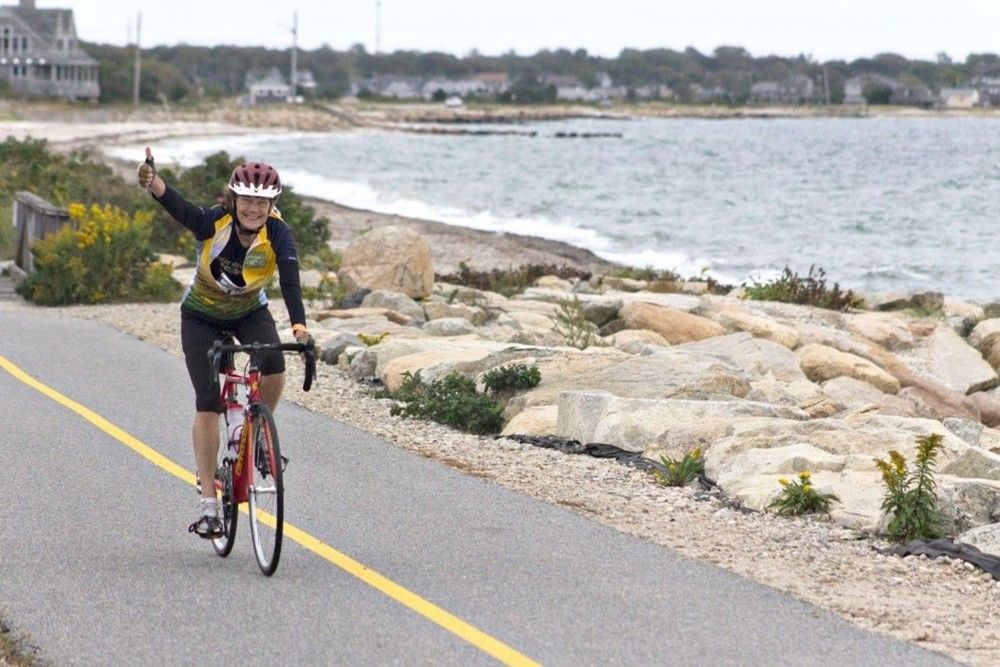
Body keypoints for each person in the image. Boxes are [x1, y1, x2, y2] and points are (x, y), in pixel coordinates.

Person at [137, 147, 311, 538]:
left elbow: (290, 280)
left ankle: (262, 435)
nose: (254, 208)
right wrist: (154, 182)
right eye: (248, 200)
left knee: (275, 364)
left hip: (249, 311)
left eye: (262, 201)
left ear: (271, 204)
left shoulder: (278, 232)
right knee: (208, 402)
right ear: (234, 200)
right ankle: (208, 504)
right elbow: (183, 211)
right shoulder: (215, 222)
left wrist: (299, 327)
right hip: (201, 315)